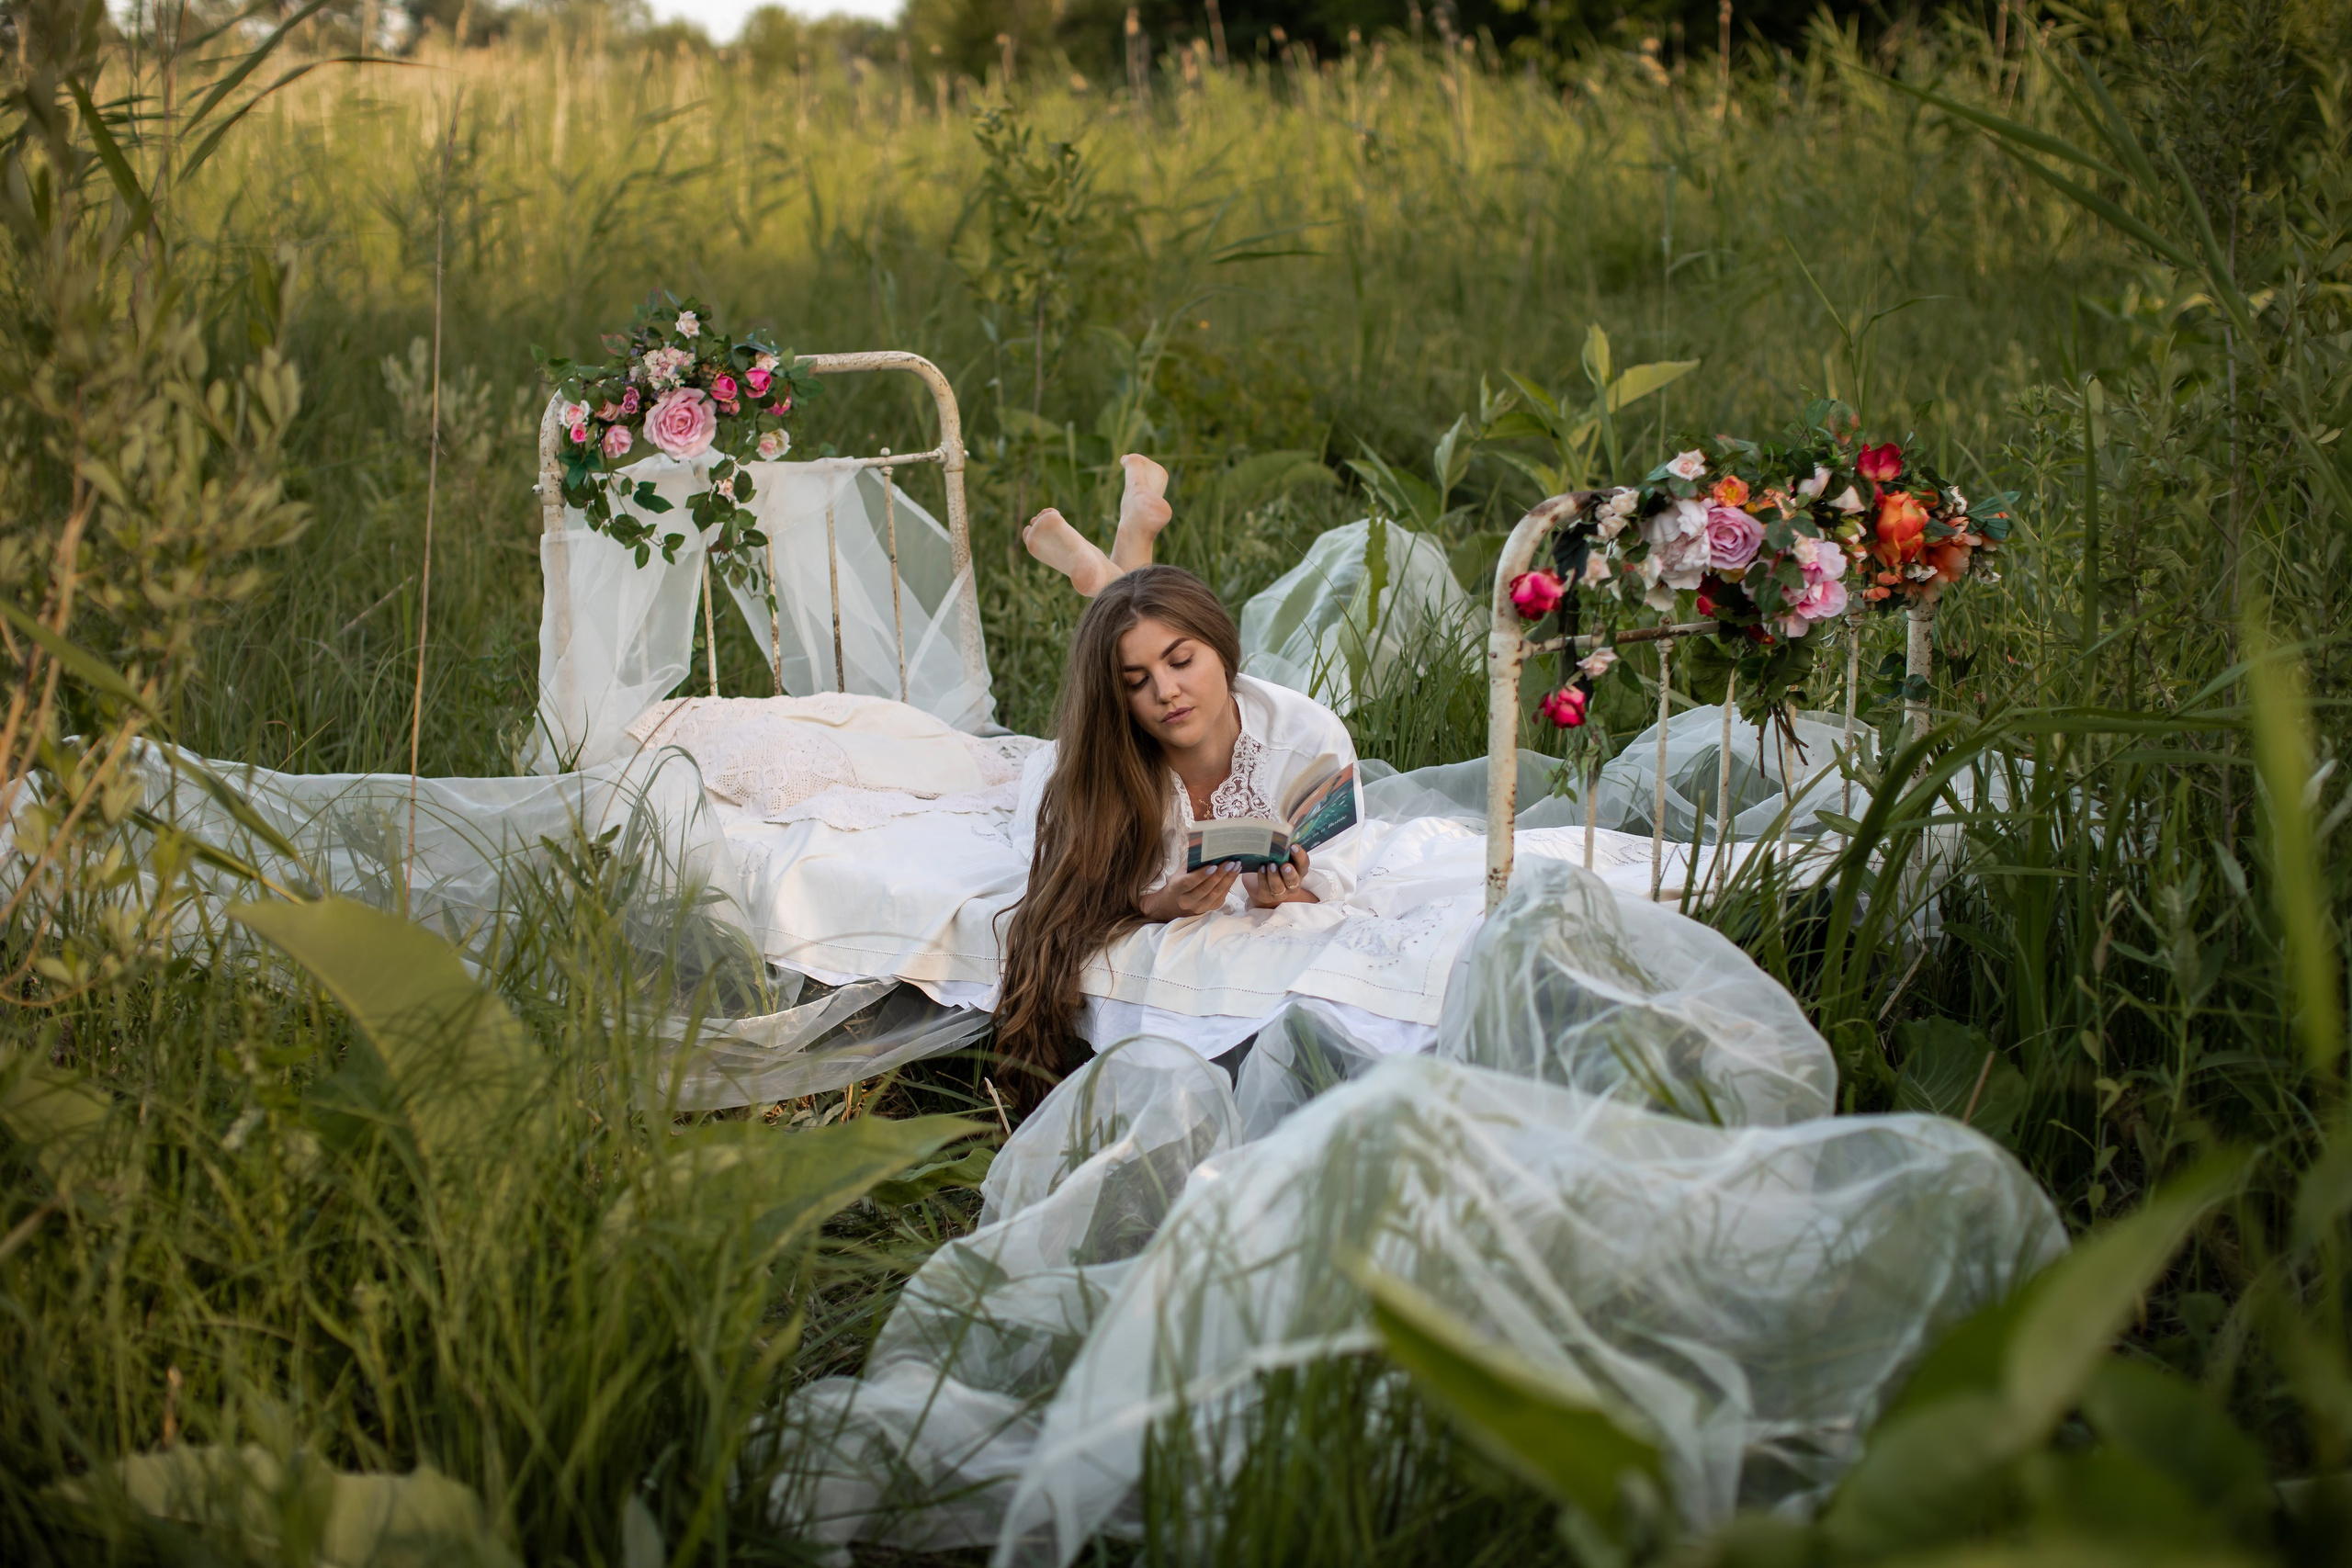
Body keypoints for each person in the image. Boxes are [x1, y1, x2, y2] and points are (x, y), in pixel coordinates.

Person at [994, 558, 1363, 1090]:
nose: (1166, 691)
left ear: (1222, 648)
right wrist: (1158, 905)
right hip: (1056, 770)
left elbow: (1332, 881)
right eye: (1136, 681)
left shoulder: (1309, 740)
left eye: (1182, 661)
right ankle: (1114, 567)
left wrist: (1279, 895)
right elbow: (1068, 895)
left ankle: (1117, 563)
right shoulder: (1095, 768)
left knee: (1132, 607)